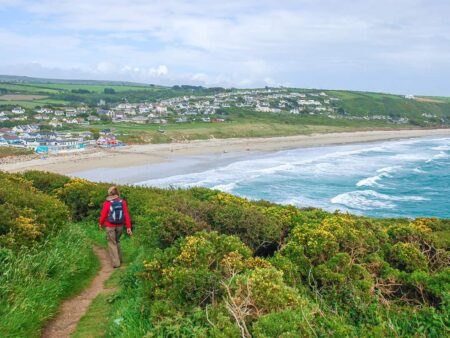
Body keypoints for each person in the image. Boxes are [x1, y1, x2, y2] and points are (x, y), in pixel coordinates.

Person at [99, 186, 132, 268]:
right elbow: (126, 215)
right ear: (117, 193)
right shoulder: (122, 202)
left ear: (109, 194)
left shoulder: (107, 203)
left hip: (110, 226)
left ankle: (116, 263)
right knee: (117, 241)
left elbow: (103, 216)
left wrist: (100, 224)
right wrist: (128, 227)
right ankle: (120, 260)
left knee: (112, 243)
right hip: (120, 226)